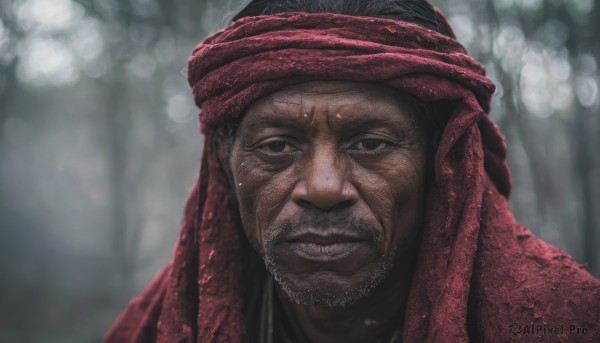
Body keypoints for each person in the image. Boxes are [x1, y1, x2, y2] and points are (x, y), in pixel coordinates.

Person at [105, 1, 600, 342]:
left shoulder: (568, 322)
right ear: (223, 159)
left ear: (443, 167)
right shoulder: (156, 328)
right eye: (277, 145)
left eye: (371, 144)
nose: (323, 188)